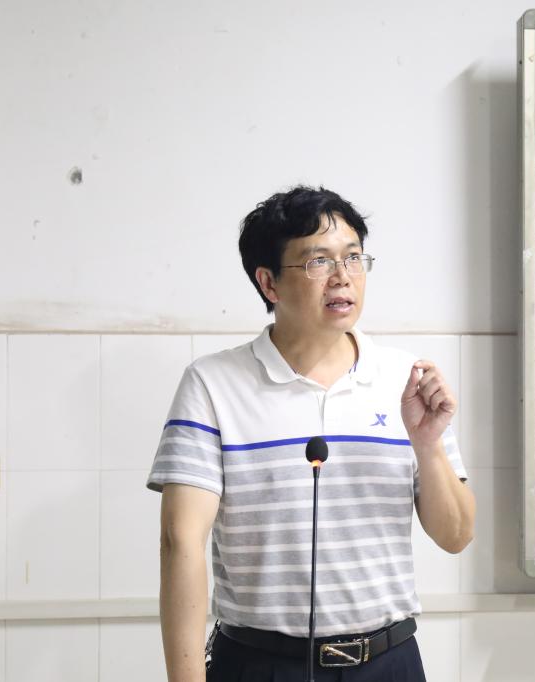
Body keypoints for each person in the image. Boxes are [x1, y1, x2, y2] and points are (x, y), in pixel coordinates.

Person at [147, 185, 476, 681]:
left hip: (388, 663)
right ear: (269, 283)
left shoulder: (406, 379)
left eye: (354, 257)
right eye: (318, 261)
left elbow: (456, 536)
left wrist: (427, 444)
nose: (343, 276)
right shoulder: (213, 384)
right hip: (262, 664)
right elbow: (181, 542)